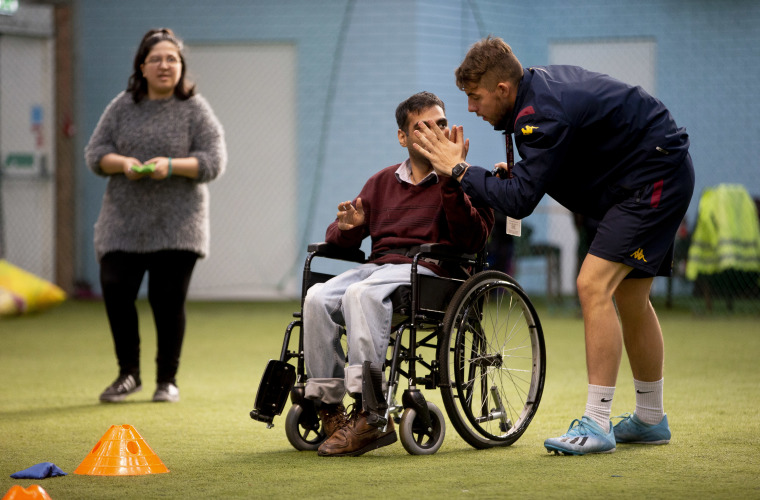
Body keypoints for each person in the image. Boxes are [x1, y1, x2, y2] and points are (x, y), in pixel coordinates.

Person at [414, 36, 695, 455]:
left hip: (653, 176)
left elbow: (521, 202)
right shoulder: (535, 95)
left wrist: (458, 170)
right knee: (632, 297)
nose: (471, 108)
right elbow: (554, 167)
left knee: (592, 285)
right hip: (652, 169)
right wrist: (516, 175)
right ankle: (651, 419)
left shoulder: (539, 114)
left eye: (475, 97)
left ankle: (597, 422)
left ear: (503, 90)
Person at [303, 91, 494, 457]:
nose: (436, 133)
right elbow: (340, 238)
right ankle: (330, 409)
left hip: (430, 272)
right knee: (318, 297)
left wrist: (450, 180)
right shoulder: (381, 182)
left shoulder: (468, 179)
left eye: (441, 125)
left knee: (361, 294)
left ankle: (371, 411)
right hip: (378, 268)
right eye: (423, 127)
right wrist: (348, 228)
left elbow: (474, 239)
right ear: (403, 137)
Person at [85, 28, 227, 404]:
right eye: (157, 59)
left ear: (181, 67)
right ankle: (127, 374)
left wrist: (172, 166)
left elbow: (214, 161)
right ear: (142, 67)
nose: (165, 65)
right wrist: (122, 163)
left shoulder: (195, 109)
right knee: (116, 289)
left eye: (172, 59)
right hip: (122, 222)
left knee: (167, 299)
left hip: (179, 224)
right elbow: (95, 153)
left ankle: (167, 380)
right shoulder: (121, 107)